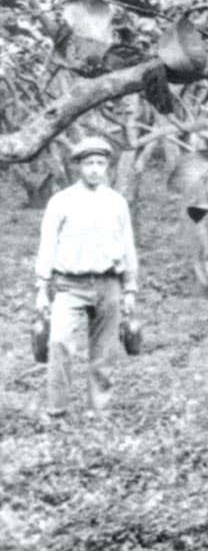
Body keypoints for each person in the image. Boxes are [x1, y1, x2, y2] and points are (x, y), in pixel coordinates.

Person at [34, 137, 138, 419]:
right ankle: (57, 409)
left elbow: (128, 246)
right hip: (69, 284)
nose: (94, 169)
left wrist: (130, 288)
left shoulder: (116, 202)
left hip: (109, 284)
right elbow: (47, 245)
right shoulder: (61, 201)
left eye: (100, 163)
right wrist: (41, 288)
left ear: (107, 167)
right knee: (59, 342)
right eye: (89, 163)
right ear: (79, 165)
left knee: (104, 351)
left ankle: (99, 410)